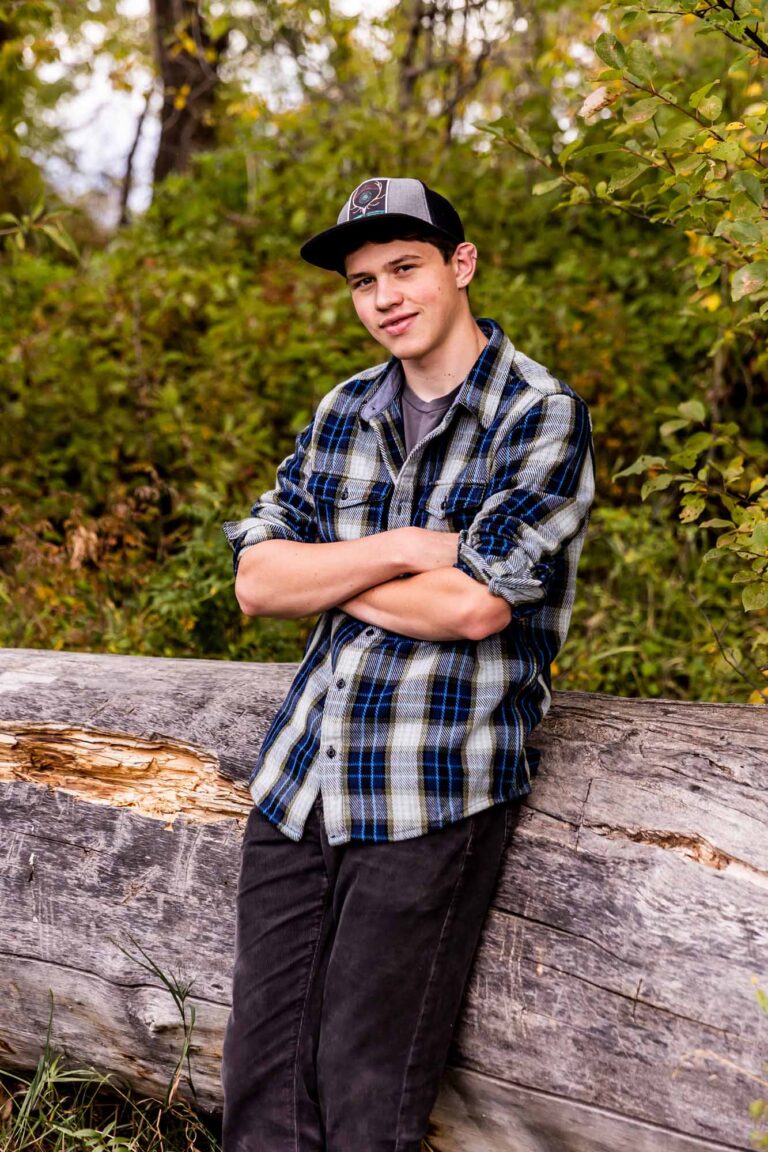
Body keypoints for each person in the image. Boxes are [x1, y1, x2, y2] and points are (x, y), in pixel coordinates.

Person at [220, 176, 595, 1152]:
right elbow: (257, 582)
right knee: (260, 1093)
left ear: (459, 266)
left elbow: (475, 607)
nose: (384, 297)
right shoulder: (343, 408)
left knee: (363, 1099)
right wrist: (398, 549)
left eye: (404, 268)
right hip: (299, 785)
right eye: (361, 281)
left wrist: (325, 574)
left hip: (429, 795)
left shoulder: (537, 414)